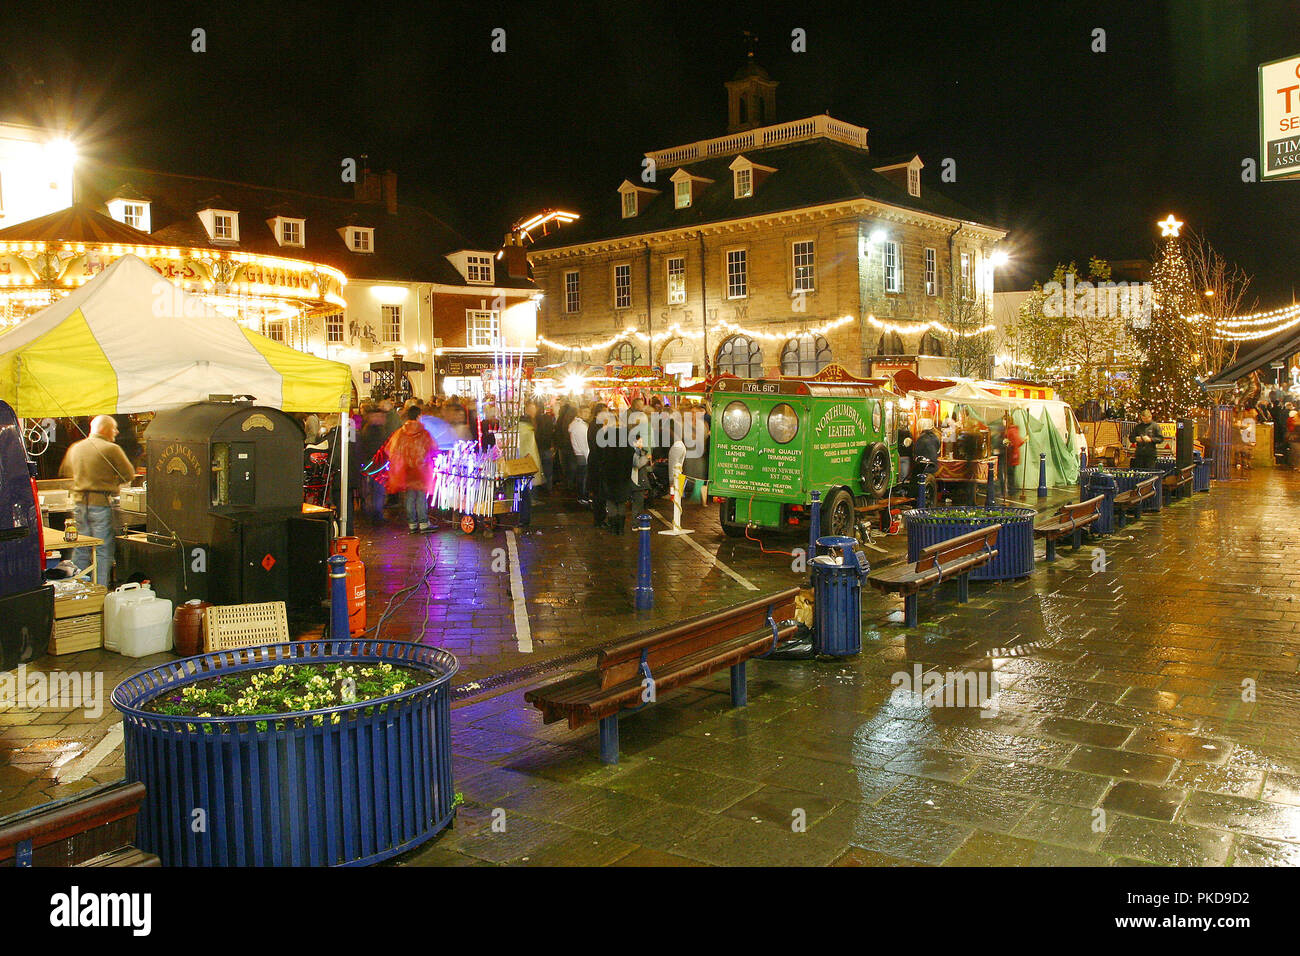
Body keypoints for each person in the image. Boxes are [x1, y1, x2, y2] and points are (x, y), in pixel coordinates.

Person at [59, 415, 135, 582]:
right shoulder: (111, 449)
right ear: (104, 429)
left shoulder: (75, 447)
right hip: (100, 503)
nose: (116, 431)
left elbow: (65, 471)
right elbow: (128, 474)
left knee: (81, 549)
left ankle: (78, 589)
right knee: (102, 550)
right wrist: (111, 481)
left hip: (79, 505)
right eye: (113, 428)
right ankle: (100, 590)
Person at [383, 406, 436, 532]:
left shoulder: (400, 432)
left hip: (406, 469)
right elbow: (433, 447)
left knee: (410, 496)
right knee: (421, 496)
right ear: (418, 416)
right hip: (420, 469)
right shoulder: (424, 432)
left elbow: (390, 449)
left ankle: (412, 524)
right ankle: (423, 523)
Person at [357, 406, 390, 521]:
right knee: (377, 490)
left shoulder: (366, 429)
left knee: (370, 490)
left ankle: (371, 512)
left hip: (371, 464)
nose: (383, 418)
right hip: (375, 465)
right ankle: (376, 514)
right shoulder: (375, 430)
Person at [587, 403, 611, 526]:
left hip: (598, 462)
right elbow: (599, 445)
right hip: (598, 464)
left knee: (600, 493)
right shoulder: (596, 427)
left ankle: (600, 517)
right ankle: (599, 519)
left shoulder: (596, 425)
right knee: (599, 493)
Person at [568, 405, 590, 504]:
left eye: (588, 412)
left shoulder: (577, 425)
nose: (587, 414)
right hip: (583, 454)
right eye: (585, 412)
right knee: (583, 476)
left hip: (579, 454)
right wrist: (588, 457)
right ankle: (583, 496)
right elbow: (584, 444)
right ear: (579, 413)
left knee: (582, 476)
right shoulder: (580, 427)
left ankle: (582, 495)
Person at [1001, 412, 1025, 495]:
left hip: (1012, 455)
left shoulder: (1011, 431)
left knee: (1010, 474)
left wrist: (1008, 443)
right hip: (1012, 455)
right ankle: (1011, 489)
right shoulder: (1010, 430)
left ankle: (1012, 490)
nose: (1002, 422)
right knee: (1010, 473)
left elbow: (1017, 442)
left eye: (1004, 420)